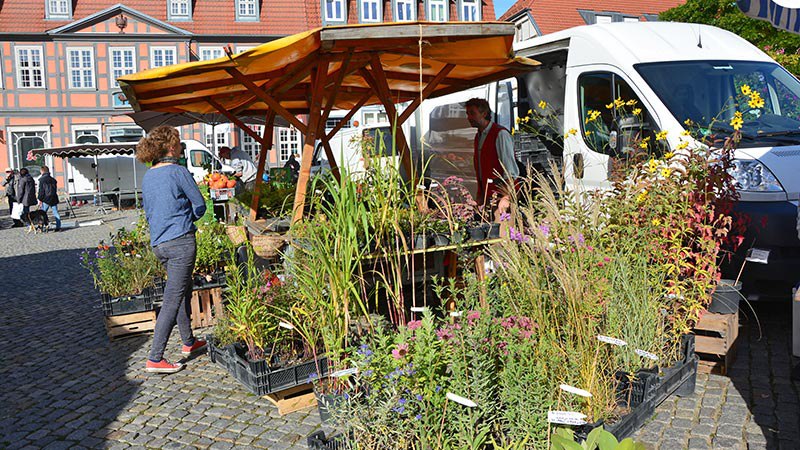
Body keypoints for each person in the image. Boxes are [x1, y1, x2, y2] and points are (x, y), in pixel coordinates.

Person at [137, 125, 207, 374]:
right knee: (173, 298)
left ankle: (189, 342)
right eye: (178, 142)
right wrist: (190, 217)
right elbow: (200, 205)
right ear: (170, 146)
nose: (180, 146)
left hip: (160, 243)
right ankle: (156, 357)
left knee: (182, 290)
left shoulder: (149, 175)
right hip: (180, 242)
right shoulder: (178, 172)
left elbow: (150, 211)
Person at [465, 98, 519, 220]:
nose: (468, 117)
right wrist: (480, 194)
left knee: (504, 234)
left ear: (484, 113)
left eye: (472, 113)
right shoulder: (478, 136)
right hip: (488, 196)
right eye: (467, 114)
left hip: (501, 197)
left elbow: (510, 170)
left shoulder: (500, 134)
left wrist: (507, 197)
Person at [37, 166, 61, 231]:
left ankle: (41, 227)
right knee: (55, 212)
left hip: (46, 199)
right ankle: (58, 227)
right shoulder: (53, 179)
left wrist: (40, 199)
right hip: (53, 197)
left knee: (42, 213)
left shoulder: (42, 180)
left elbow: (41, 191)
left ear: (42, 171)